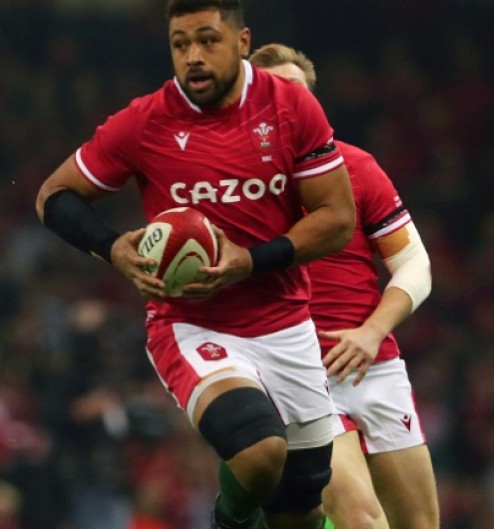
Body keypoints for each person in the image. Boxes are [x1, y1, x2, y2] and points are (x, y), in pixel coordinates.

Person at [34, 1, 356, 528]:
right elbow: (54, 196)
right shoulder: (146, 120)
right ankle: (227, 522)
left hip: (287, 325)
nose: (193, 57)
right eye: (180, 45)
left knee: (300, 511)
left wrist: (248, 262)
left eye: (208, 40)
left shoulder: (292, 107)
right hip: (192, 325)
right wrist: (113, 248)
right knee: (259, 453)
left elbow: (338, 218)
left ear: (244, 41)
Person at [249, 43, 439, 529]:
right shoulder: (235, 185)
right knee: (359, 518)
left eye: (299, 93)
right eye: (274, 92)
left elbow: (414, 264)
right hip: (297, 370)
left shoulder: (356, 167)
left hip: (374, 365)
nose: (289, 103)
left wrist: (372, 332)